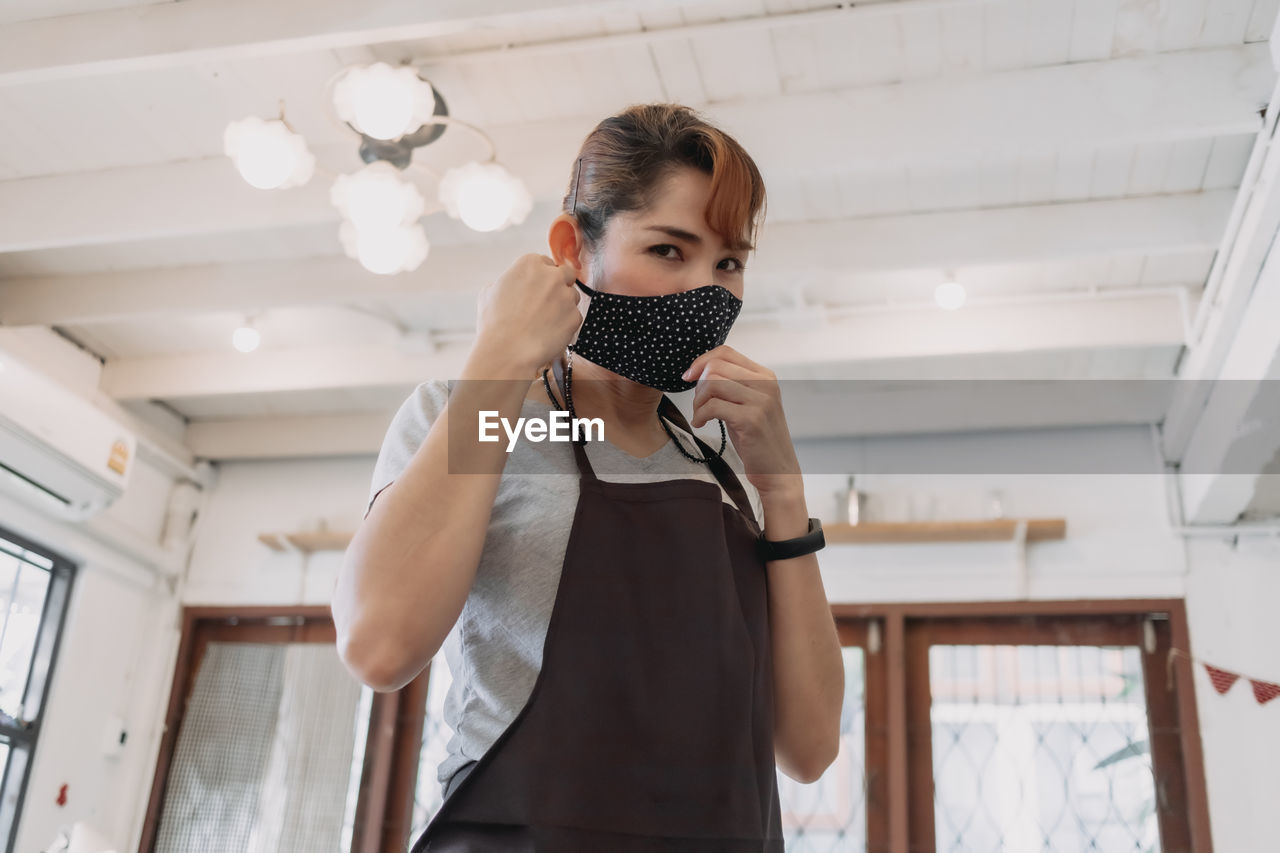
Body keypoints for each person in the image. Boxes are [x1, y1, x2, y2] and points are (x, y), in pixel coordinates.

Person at [333, 103, 845, 851]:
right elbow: (380, 647)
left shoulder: (720, 461)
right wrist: (498, 366)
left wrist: (785, 492)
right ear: (574, 249)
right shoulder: (479, 416)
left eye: (728, 263)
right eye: (670, 250)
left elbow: (809, 747)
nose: (703, 290)